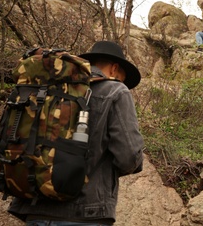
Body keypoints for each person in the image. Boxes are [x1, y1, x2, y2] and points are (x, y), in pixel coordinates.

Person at [8, 41, 145, 225]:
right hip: (84, 213)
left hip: (35, 209)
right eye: (120, 77)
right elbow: (128, 157)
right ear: (114, 69)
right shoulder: (115, 90)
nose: (120, 82)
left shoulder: (50, 89)